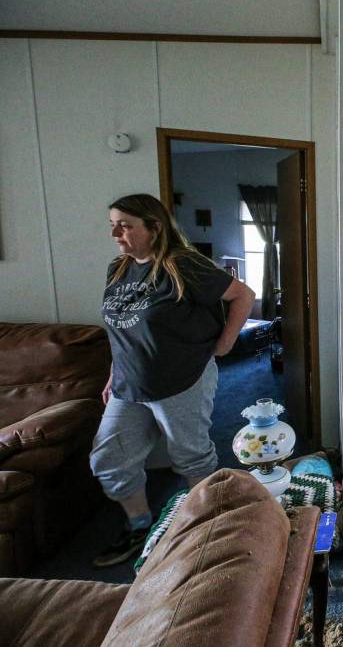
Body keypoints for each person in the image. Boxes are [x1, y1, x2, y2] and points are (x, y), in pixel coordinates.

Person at [90, 194, 255, 567]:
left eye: (126, 225)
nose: (116, 233)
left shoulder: (182, 264)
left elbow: (243, 295)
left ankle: (205, 529)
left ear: (155, 227)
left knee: (191, 457)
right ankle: (139, 526)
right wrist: (114, 374)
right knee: (109, 458)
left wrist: (225, 345)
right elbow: (122, 329)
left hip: (183, 377)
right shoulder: (118, 269)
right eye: (113, 224)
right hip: (128, 385)